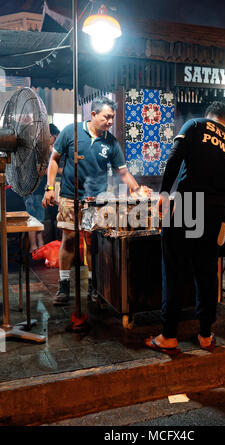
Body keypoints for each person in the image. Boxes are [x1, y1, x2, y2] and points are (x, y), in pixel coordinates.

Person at [145, 101, 225, 353]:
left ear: (209, 116)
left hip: (188, 205)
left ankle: (168, 336)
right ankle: (205, 334)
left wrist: (164, 193)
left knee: (174, 269)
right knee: (207, 274)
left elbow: (174, 158)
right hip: (215, 213)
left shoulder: (196, 125)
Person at [42, 97, 142, 306]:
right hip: (70, 196)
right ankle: (63, 285)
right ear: (93, 115)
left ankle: (93, 284)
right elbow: (54, 159)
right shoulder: (71, 132)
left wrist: (138, 190)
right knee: (68, 239)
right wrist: (50, 188)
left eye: (112, 118)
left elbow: (122, 172)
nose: (110, 121)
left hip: (95, 201)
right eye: (107, 116)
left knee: (91, 241)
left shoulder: (111, 142)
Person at [23, 123, 60, 254]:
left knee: (38, 219)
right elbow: (39, 170)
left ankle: (39, 245)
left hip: (37, 191)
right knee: (33, 220)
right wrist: (50, 170)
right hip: (34, 191)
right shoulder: (37, 151)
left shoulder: (45, 150)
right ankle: (34, 246)